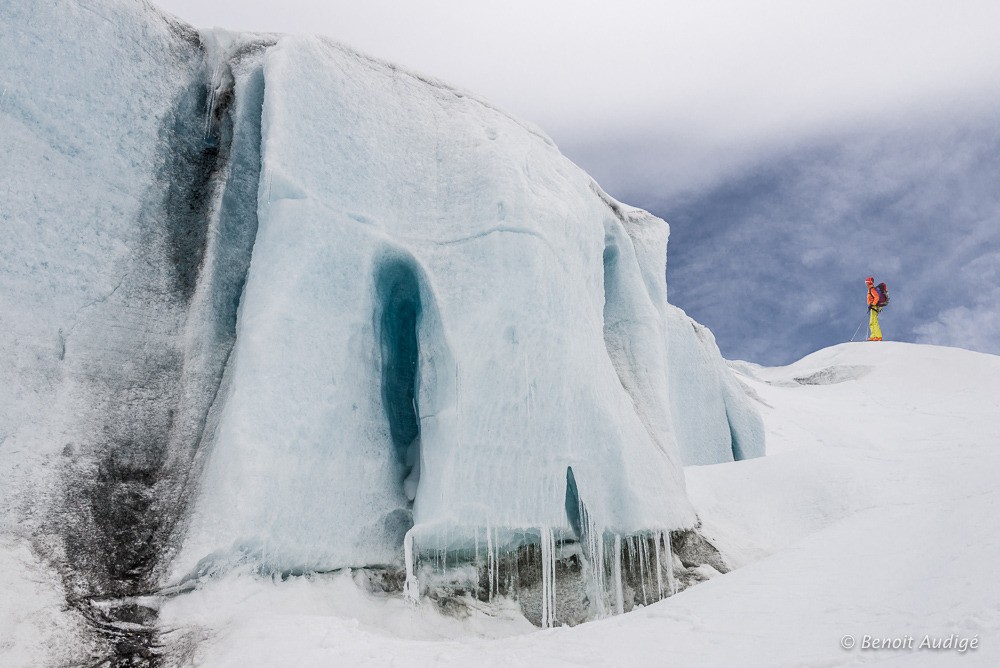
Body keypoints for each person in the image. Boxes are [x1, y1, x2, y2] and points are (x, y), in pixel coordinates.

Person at [866, 276, 883, 341]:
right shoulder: (870, 289)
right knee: (871, 322)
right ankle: (873, 336)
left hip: (874, 307)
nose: (866, 284)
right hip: (872, 307)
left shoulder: (872, 289)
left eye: (867, 282)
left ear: (869, 283)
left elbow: (877, 297)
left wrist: (872, 304)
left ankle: (878, 336)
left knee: (874, 321)